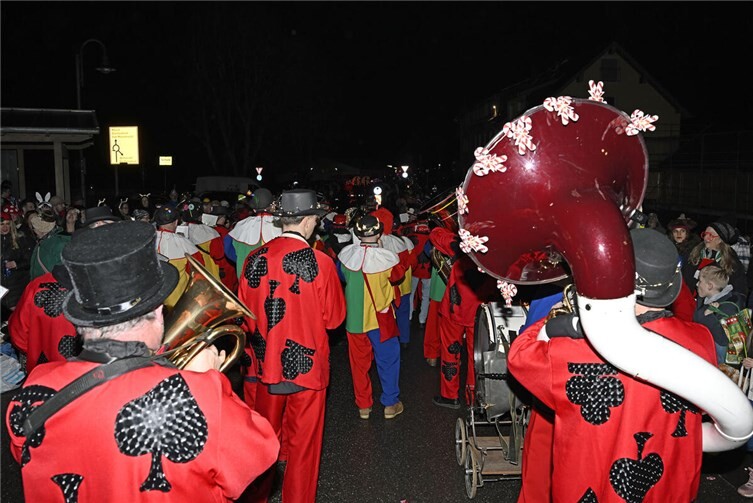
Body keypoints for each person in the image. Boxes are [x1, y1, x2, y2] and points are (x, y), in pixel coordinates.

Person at [5, 220, 279, 502]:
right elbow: (258, 456)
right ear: (159, 311)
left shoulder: (35, 389)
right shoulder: (200, 393)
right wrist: (209, 381)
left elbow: (26, 453)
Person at [508, 228, 717, 501]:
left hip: (588, 489)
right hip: (667, 490)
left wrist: (558, 322)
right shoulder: (701, 340)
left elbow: (520, 356)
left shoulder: (575, 350)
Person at [238, 189, 345, 503]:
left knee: (263, 445)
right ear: (309, 221)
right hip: (308, 369)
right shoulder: (321, 262)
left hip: (266, 366)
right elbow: (334, 319)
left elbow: (244, 316)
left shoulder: (253, 259)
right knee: (303, 449)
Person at [338, 214, 405, 420]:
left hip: (354, 321)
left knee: (358, 365)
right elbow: (398, 276)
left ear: (357, 234)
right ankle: (390, 404)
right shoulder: (388, 258)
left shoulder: (346, 256)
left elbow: (341, 276)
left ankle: (364, 406)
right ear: (379, 233)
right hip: (380, 319)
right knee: (388, 361)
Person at [7, 264, 79, 373]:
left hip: (45, 373)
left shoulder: (38, 286)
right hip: (94, 376)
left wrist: (35, 349)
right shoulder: (104, 292)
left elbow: (18, 335)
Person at [153, 205, 216, 308]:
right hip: (176, 302)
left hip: (153, 302)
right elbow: (198, 269)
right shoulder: (184, 243)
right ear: (176, 222)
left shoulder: (148, 240)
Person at [692, 263, 747, 365]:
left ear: (710, 286)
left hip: (719, 360)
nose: (697, 284)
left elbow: (723, 340)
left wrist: (708, 316)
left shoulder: (728, 308)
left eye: (700, 281)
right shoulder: (708, 299)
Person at [227, 188, 281, 280]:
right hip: (274, 282)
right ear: (272, 206)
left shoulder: (240, 225)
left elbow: (228, 248)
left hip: (246, 282)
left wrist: (241, 259)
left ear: (254, 209)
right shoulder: (283, 225)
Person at [683, 220, 747, 297]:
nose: (706, 238)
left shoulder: (731, 262)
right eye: (705, 234)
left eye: (711, 235)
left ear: (720, 240)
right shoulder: (693, 254)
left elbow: (739, 290)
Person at [1, 203, 35, 312]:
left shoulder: (20, 239)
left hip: (17, 285)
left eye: (7, 224)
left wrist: (16, 264)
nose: (5, 227)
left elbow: (30, 259)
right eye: (1, 224)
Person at [28, 206, 71, 280]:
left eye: (34, 228)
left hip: (48, 285)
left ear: (41, 230)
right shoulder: (45, 241)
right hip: (44, 283)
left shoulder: (57, 244)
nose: (34, 230)